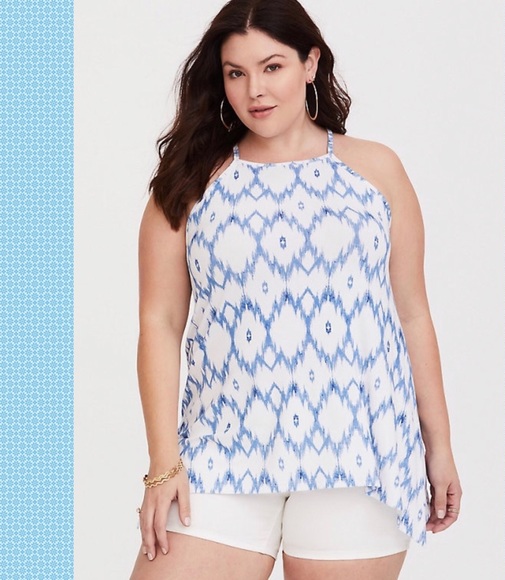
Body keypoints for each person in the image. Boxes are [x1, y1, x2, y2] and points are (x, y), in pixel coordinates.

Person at [130, 0, 462, 578]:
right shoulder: (189, 180)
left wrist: (440, 448)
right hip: (221, 451)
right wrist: (163, 463)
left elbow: (411, 314)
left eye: (272, 67)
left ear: (310, 63)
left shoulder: (376, 170)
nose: (254, 90)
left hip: (361, 455)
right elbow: (159, 323)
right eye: (236, 73)